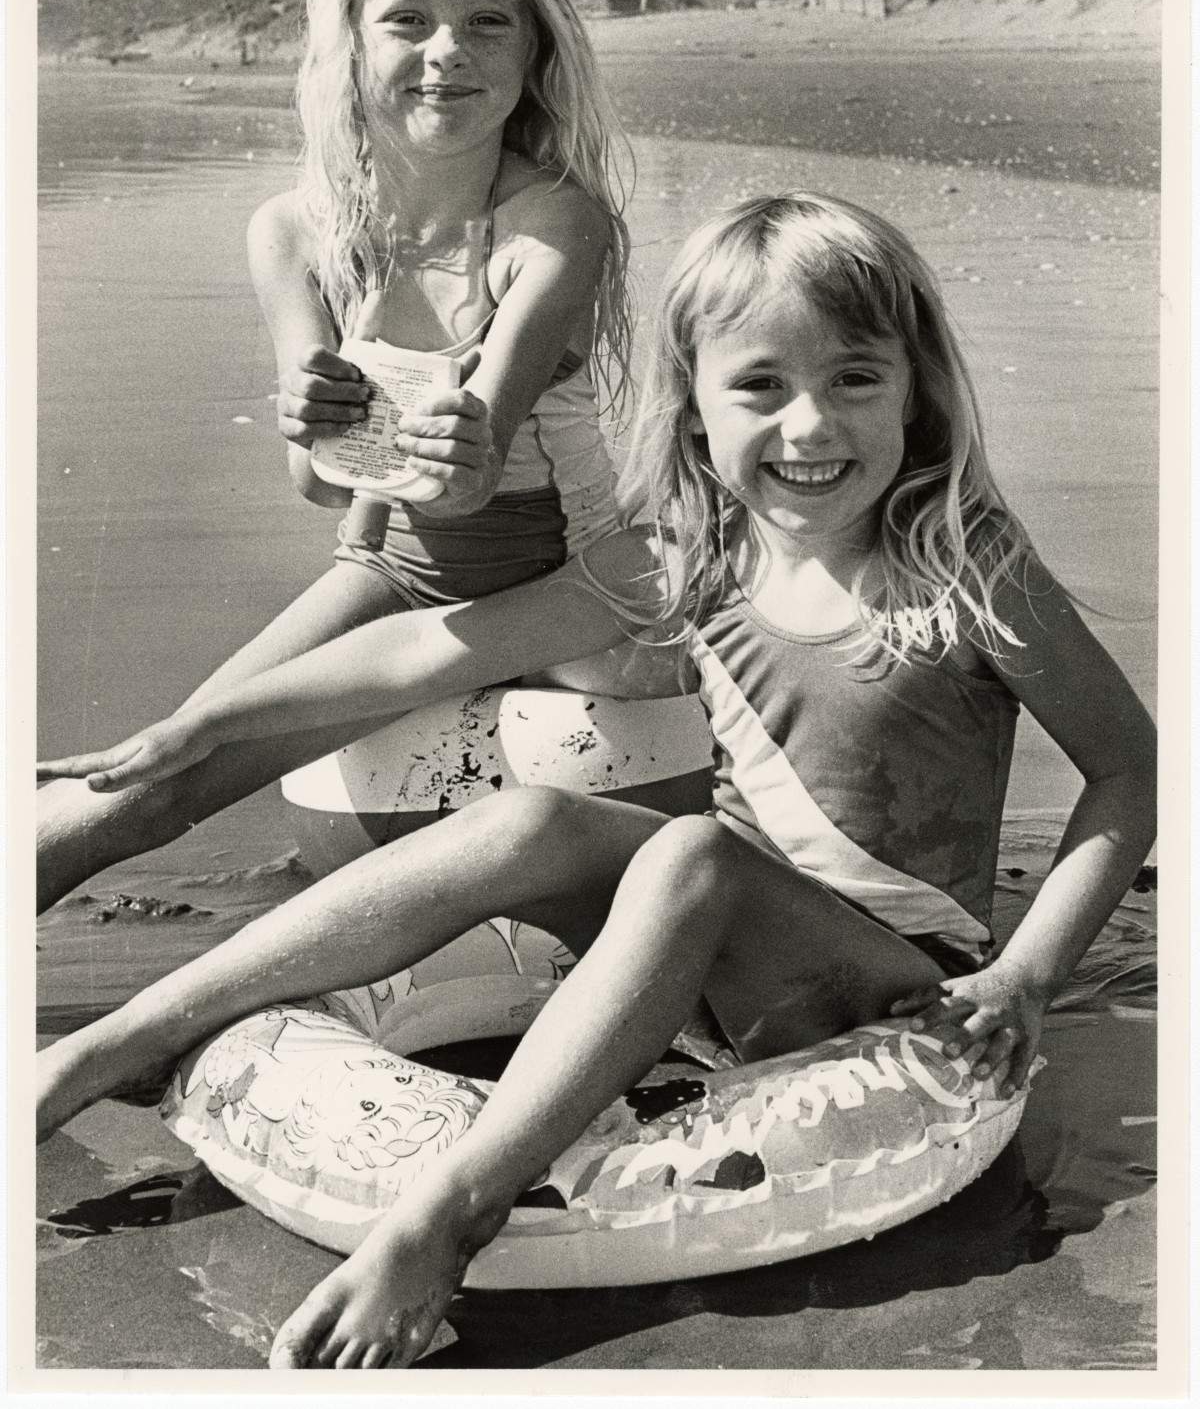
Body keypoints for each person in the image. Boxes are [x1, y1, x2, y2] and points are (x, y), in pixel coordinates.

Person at [38, 192, 1156, 1370]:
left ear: (919, 386)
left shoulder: (962, 560)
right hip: (714, 975)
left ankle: (446, 1214)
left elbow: (1130, 770)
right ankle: (116, 1043)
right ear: (696, 402)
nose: (809, 424)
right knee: (530, 820)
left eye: (858, 380)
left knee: (690, 851)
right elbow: (435, 644)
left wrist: (1027, 975)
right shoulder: (694, 549)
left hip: (889, 984)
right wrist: (202, 719)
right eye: (761, 385)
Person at [35, 0, 636, 911]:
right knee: (144, 782)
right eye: (409, 19)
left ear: (536, 49)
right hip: (391, 566)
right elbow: (320, 484)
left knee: (194, 752)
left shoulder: (553, 227)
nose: (447, 51)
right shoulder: (295, 233)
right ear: (350, 40)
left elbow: (467, 476)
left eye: (487, 21)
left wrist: (451, 454)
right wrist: (317, 432)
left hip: (562, 577)